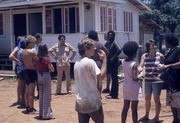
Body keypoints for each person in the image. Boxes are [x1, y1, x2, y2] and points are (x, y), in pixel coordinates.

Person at [74, 38, 107, 123]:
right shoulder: (90, 62)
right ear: (86, 49)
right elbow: (101, 76)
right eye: (92, 47)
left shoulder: (77, 63)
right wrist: (104, 60)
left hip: (80, 101)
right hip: (92, 101)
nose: (95, 48)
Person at [138, 39, 164, 122]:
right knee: (147, 99)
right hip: (147, 80)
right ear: (148, 47)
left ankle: (156, 117)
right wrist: (140, 69)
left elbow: (164, 66)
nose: (154, 46)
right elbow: (141, 65)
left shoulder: (160, 56)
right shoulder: (144, 56)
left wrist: (161, 68)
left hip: (157, 80)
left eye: (155, 45)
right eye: (152, 45)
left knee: (156, 99)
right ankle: (146, 115)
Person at [158, 34, 180, 123]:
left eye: (166, 41)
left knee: (178, 104)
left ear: (170, 42)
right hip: (170, 82)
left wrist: (167, 66)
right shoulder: (170, 51)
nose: (165, 43)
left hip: (177, 81)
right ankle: (175, 120)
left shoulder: (178, 50)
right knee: (172, 102)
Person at [121, 41, 143, 123]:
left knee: (125, 107)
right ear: (134, 53)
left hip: (126, 85)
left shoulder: (123, 61)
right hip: (133, 87)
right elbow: (135, 78)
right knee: (134, 108)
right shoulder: (134, 64)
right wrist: (141, 78)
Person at [34, 44, 55, 120]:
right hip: (46, 75)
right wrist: (51, 69)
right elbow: (51, 69)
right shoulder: (47, 59)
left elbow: (36, 67)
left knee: (41, 95)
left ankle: (41, 113)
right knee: (47, 96)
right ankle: (46, 114)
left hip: (39, 75)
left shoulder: (36, 59)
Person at [88, 30, 109, 94]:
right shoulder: (99, 44)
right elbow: (107, 52)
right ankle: (99, 94)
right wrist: (102, 58)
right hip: (98, 63)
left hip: (90, 63)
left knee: (91, 80)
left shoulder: (90, 44)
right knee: (99, 80)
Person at [22, 35, 38, 114]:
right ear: (30, 43)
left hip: (26, 70)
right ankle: (31, 108)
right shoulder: (32, 52)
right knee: (32, 92)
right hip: (32, 71)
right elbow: (37, 62)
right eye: (33, 42)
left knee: (27, 90)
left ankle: (27, 106)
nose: (34, 44)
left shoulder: (23, 51)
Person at [9, 37, 26, 107]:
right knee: (20, 85)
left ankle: (20, 99)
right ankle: (19, 99)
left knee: (20, 84)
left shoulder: (21, 48)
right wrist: (17, 60)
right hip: (19, 67)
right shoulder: (17, 48)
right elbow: (10, 56)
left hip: (20, 67)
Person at [105, 30, 121, 99]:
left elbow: (119, 50)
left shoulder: (114, 42)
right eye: (109, 35)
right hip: (109, 63)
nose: (110, 36)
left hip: (114, 63)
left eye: (111, 35)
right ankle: (112, 93)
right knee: (112, 78)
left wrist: (113, 58)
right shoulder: (108, 43)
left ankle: (114, 94)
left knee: (114, 78)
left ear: (114, 36)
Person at [34, 33, 42, 100]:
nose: (41, 39)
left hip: (39, 65)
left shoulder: (40, 46)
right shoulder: (33, 46)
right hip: (34, 65)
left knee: (39, 80)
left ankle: (39, 94)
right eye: (40, 38)